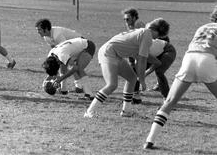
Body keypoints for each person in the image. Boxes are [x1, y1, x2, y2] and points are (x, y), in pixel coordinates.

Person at [143, 20, 217, 149]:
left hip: (189, 59)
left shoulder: (203, 26)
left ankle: (149, 140)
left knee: (169, 102)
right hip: (207, 60)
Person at [84, 18, 170, 118]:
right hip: (108, 53)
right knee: (112, 85)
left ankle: (126, 111)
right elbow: (142, 60)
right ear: (156, 30)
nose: (157, 38)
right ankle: (89, 111)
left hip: (115, 54)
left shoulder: (144, 33)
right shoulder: (147, 35)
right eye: (159, 35)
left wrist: (157, 62)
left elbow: (141, 55)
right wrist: (142, 80)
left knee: (132, 78)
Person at [35, 18, 85, 94]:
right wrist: (52, 74)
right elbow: (54, 52)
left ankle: (78, 86)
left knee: (68, 65)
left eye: (39, 29)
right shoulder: (46, 37)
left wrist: (53, 76)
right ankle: (64, 89)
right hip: (69, 48)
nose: (38, 32)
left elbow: (63, 50)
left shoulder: (57, 35)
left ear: (46, 29)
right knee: (63, 64)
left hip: (82, 45)